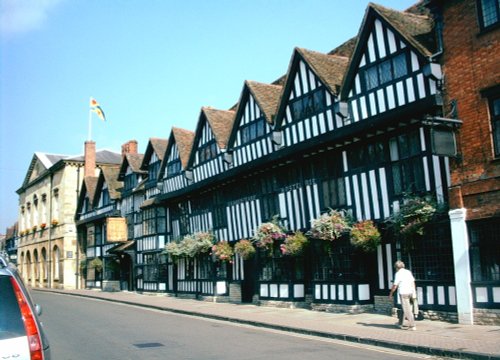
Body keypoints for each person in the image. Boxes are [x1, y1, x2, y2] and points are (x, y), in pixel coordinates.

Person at [389, 260, 416, 330]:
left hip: (404, 293)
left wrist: (391, 294)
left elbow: (395, 285)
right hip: (410, 292)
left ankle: (412, 325)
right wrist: (414, 291)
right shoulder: (408, 272)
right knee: (404, 308)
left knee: (407, 309)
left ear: (396, 267)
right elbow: (413, 282)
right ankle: (400, 323)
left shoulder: (398, 274)